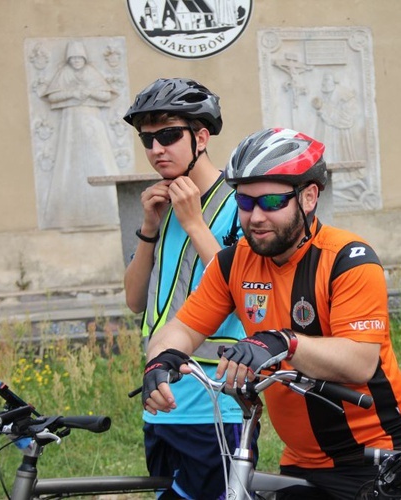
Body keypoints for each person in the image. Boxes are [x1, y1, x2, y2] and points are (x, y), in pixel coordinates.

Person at [141, 127, 401, 500]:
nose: (255, 216)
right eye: (244, 202)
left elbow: (360, 361)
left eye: (271, 202)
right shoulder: (234, 263)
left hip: (379, 457)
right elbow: (179, 331)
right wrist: (159, 362)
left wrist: (281, 342)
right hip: (301, 463)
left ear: (308, 197)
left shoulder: (348, 260)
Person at [122, 78, 253, 499]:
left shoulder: (240, 204)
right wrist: (148, 228)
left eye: (168, 135)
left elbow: (243, 291)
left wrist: (194, 222)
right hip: (161, 404)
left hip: (216, 404)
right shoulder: (161, 205)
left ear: (200, 137)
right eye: (148, 139)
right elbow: (134, 301)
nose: (157, 148)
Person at [41, 40, 120, 229]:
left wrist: (89, 93)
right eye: (73, 58)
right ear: (69, 60)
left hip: (93, 124)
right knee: (70, 162)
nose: (76, 61)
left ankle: (108, 211)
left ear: (84, 59)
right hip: (71, 126)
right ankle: (67, 215)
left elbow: (106, 95)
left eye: (79, 58)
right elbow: (52, 96)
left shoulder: (92, 73)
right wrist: (72, 94)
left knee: (99, 160)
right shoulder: (64, 74)